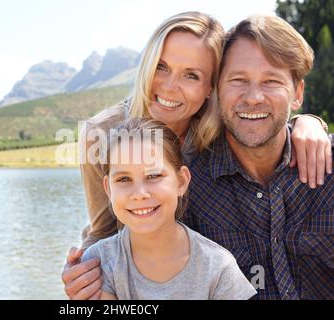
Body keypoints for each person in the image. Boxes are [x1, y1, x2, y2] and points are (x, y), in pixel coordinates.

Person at [62, 12, 332, 300]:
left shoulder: (213, 127)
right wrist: (88, 272)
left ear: (209, 88)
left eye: (191, 75)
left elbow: (261, 122)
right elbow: (105, 228)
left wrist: (308, 122)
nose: (169, 86)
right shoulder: (103, 134)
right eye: (161, 66)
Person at [183, 15, 334, 300]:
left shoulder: (330, 171)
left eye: (271, 81)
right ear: (216, 89)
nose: (253, 97)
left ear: (297, 93)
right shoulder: (190, 189)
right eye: (238, 80)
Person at [80, 117, 257, 299]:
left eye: (153, 175)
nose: (139, 193)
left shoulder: (218, 267)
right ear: (108, 188)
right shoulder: (98, 263)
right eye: (123, 179)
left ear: (181, 181)